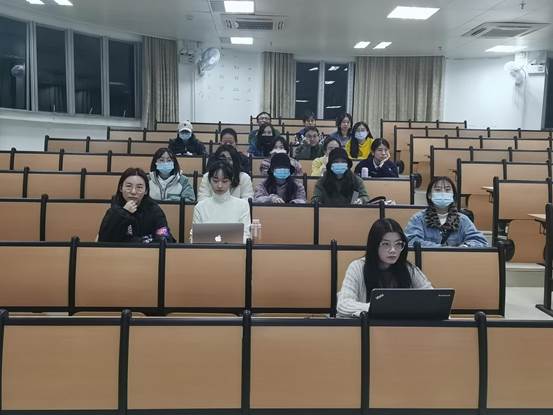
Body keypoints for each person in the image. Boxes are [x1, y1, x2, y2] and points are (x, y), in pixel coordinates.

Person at [337, 218, 433, 317]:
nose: (393, 250)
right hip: (369, 325)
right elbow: (343, 304)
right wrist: (380, 307)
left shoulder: (409, 269)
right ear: (374, 245)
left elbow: (433, 299)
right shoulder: (357, 267)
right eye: (386, 244)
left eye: (398, 244)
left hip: (402, 325)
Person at [405, 176, 489, 247]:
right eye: (438, 190)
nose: (443, 193)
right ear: (429, 195)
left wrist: (464, 247)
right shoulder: (418, 219)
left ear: (453, 195)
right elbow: (411, 241)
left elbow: (480, 241)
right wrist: (443, 249)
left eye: (447, 190)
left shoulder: (462, 219)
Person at [98, 167, 175, 243]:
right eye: (128, 186)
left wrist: (140, 241)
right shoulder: (114, 211)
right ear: (121, 188)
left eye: (139, 187)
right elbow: (103, 240)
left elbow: (164, 236)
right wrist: (124, 213)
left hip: (147, 250)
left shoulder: (154, 210)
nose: (133, 192)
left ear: (146, 191)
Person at [192, 160, 251, 242]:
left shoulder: (243, 205)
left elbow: (246, 236)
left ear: (231, 180)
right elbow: (194, 238)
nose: (220, 186)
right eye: (215, 181)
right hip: (206, 249)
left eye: (224, 181)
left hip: (235, 249)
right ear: (209, 180)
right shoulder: (200, 207)